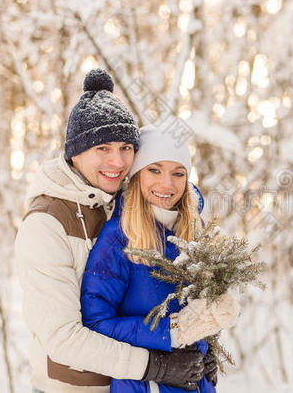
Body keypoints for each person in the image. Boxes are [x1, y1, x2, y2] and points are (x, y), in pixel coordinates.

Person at [15, 69, 204, 393]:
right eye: (102, 148)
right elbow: (63, 338)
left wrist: (201, 350)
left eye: (126, 148)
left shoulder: (126, 203)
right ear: (75, 152)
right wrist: (155, 365)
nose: (117, 161)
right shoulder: (46, 224)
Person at [80, 124, 240, 392]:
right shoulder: (118, 238)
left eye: (178, 174)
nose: (167, 184)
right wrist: (171, 332)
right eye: (154, 170)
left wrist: (205, 346)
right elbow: (96, 323)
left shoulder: (195, 232)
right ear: (137, 174)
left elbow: (198, 310)